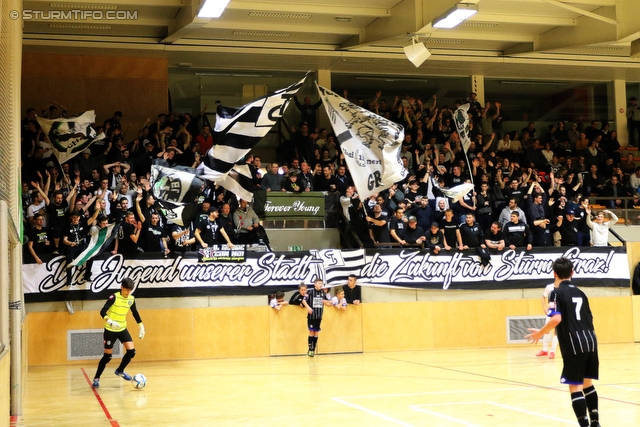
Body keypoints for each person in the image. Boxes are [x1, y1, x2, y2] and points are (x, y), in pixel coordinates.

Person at [525, 258, 600, 427]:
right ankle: (596, 423)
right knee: (588, 384)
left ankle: (585, 425)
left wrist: (540, 333)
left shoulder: (556, 292)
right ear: (572, 273)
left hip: (574, 343)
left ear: (555, 274)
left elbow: (556, 319)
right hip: (590, 340)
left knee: (575, 386)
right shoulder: (581, 293)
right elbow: (590, 318)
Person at [91, 277, 145, 388]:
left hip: (122, 329)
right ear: (121, 287)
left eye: (130, 290)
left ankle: (120, 370)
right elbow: (102, 311)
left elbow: (135, 313)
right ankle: (96, 378)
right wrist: (109, 321)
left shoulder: (131, 299)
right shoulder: (114, 297)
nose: (128, 292)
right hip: (110, 330)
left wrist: (141, 326)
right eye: (126, 290)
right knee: (107, 356)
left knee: (132, 352)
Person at [302, 278, 332, 357]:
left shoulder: (323, 292)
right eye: (319, 283)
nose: (320, 285)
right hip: (312, 315)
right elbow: (304, 301)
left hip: (319, 316)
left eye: (321, 283)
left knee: (316, 332)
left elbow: (329, 304)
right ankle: (310, 349)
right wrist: (308, 308)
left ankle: (314, 348)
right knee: (311, 331)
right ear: (315, 284)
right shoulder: (310, 291)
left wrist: (327, 302)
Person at [536, 282, 559, 359]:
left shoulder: (563, 288)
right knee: (547, 330)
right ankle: (545, 350)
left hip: (559, 312)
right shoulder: (549, 287)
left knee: (556, 331)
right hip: (551, 312)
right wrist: (544, 308)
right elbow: (543, 297)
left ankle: (552, 351)